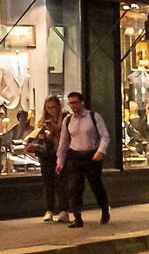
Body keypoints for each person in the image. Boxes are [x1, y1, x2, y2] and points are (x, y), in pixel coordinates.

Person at [57, 91, 111, 228]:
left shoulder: (93, 117)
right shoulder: (68, 120)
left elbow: (105, 136)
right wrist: (60, 161)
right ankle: (77, 218)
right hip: (74, 156)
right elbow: (63, 142)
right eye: (70, 103)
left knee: (96, 185)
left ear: (82, 102)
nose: (73, 106)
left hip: (91, 155)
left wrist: (100, 151)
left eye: (75, 102)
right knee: (74, 188)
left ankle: (104, 210)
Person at [32, 96, 63, 222]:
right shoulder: (43, 121)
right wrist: (43, 131)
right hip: (46, 155)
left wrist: (56, 130)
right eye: (48, 108)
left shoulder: (64, 118)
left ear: (58, 107)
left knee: (61, 183)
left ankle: (63, 210)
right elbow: (37, 135)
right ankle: (49, 210)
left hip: (59, 154)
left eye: (53, 107)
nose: (51, 110)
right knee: (48, 183)